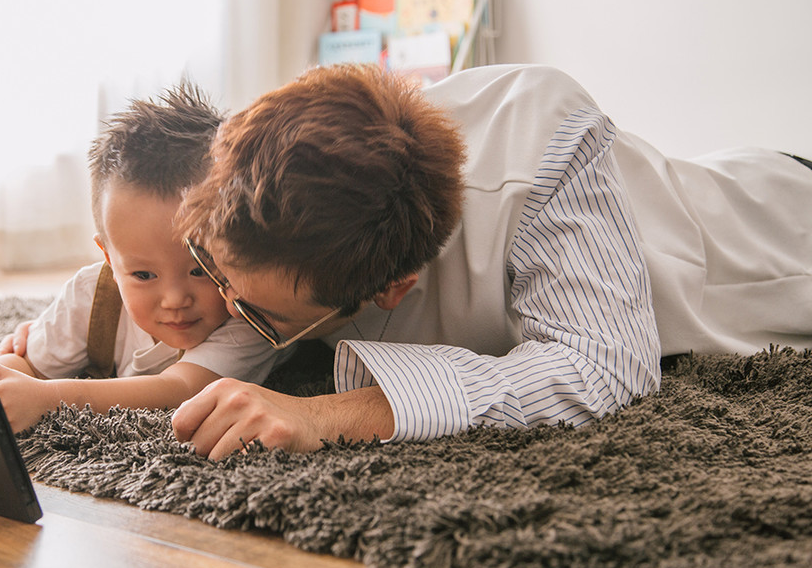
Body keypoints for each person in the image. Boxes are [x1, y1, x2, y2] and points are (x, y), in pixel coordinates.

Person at [168, 63, 812, 459]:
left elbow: (600, 373)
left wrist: (325, 414)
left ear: (392, 289)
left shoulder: (544, 138)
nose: (221, 305)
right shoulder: (274, 149)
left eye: (255, 312)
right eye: (209, 262)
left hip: (781, 227)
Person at [0, 83, 287, 433]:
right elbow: (29, 368)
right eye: (144, 275)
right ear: (108, 258)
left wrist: (49, 397)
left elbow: (180, 388)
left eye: (200, 269)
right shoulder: (91, 294)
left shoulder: (249, 313)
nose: (176, 299)